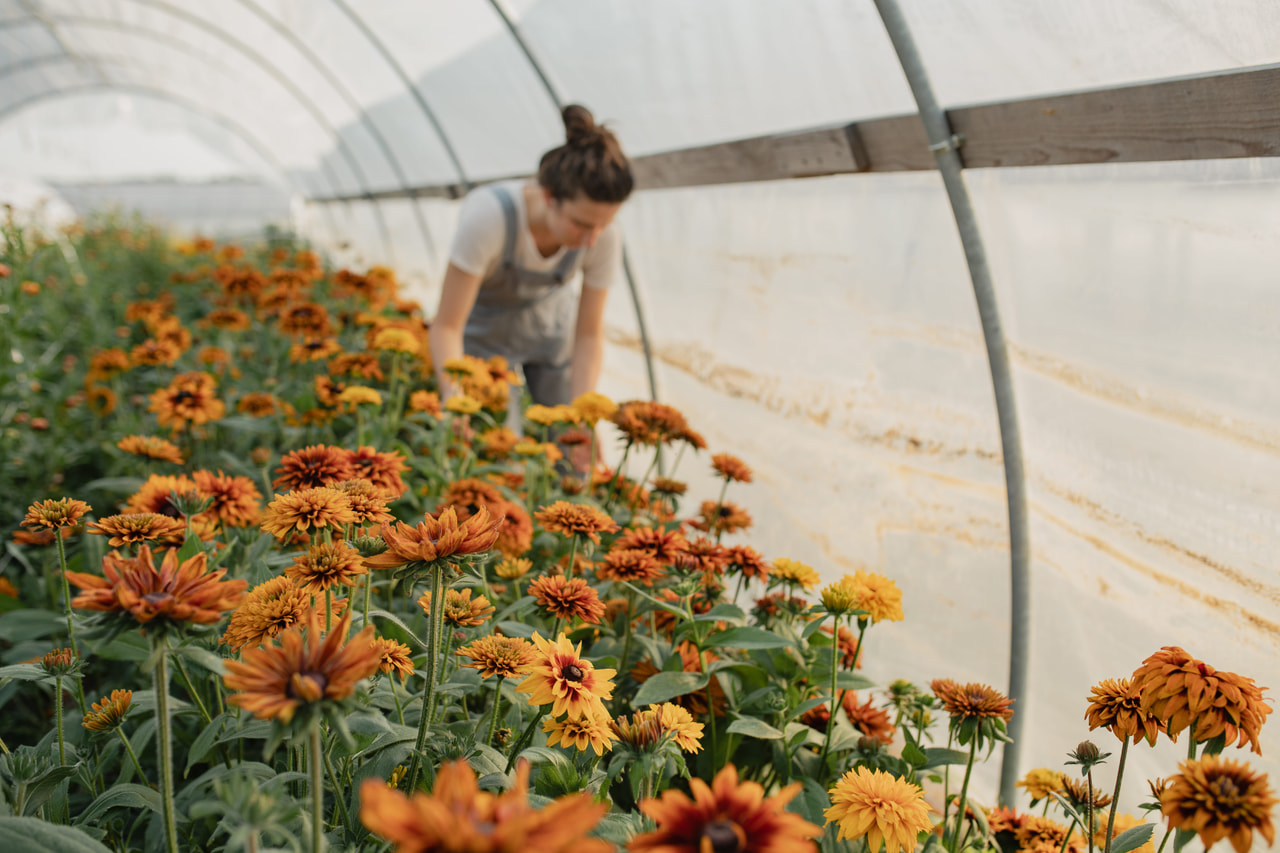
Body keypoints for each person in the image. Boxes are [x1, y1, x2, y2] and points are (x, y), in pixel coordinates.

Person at [429, 105, 634, 409]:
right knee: (500, 444)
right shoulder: (489, 218)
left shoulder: (603, 235)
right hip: (485, 343)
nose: (592, 238)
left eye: (604, 225)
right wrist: (453, 397)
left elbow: (589, 334)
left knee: (567, 439)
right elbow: (446, 325)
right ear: (550, 196)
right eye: (581, 224)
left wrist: (583, 417)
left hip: (551, 338)